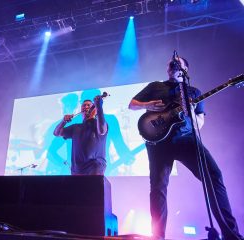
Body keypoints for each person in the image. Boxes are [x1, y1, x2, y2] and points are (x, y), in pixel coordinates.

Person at [128, 57, 243, 240]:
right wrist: (147, 105)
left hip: (186, 139)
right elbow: (132, 104)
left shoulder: (193, 92)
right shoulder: (156, 86)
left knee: (214, 176)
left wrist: (191, 111)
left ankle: (230, 234)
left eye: (177, 63)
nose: (172, 65)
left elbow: (200, 122)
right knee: (158, 189)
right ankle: (158, 237)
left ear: (185, 69)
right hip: (158, 144)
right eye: (170, 63)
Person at [53, 95, 108, 175]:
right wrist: (63, 121)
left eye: (89, 105)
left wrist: (99, 107)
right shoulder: (76, 127)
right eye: (83, 105)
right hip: (77, 170)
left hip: (95, 168)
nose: (86, 106)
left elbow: (102, 130)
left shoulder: (99, 124)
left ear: (94, 109)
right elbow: (56, 133)